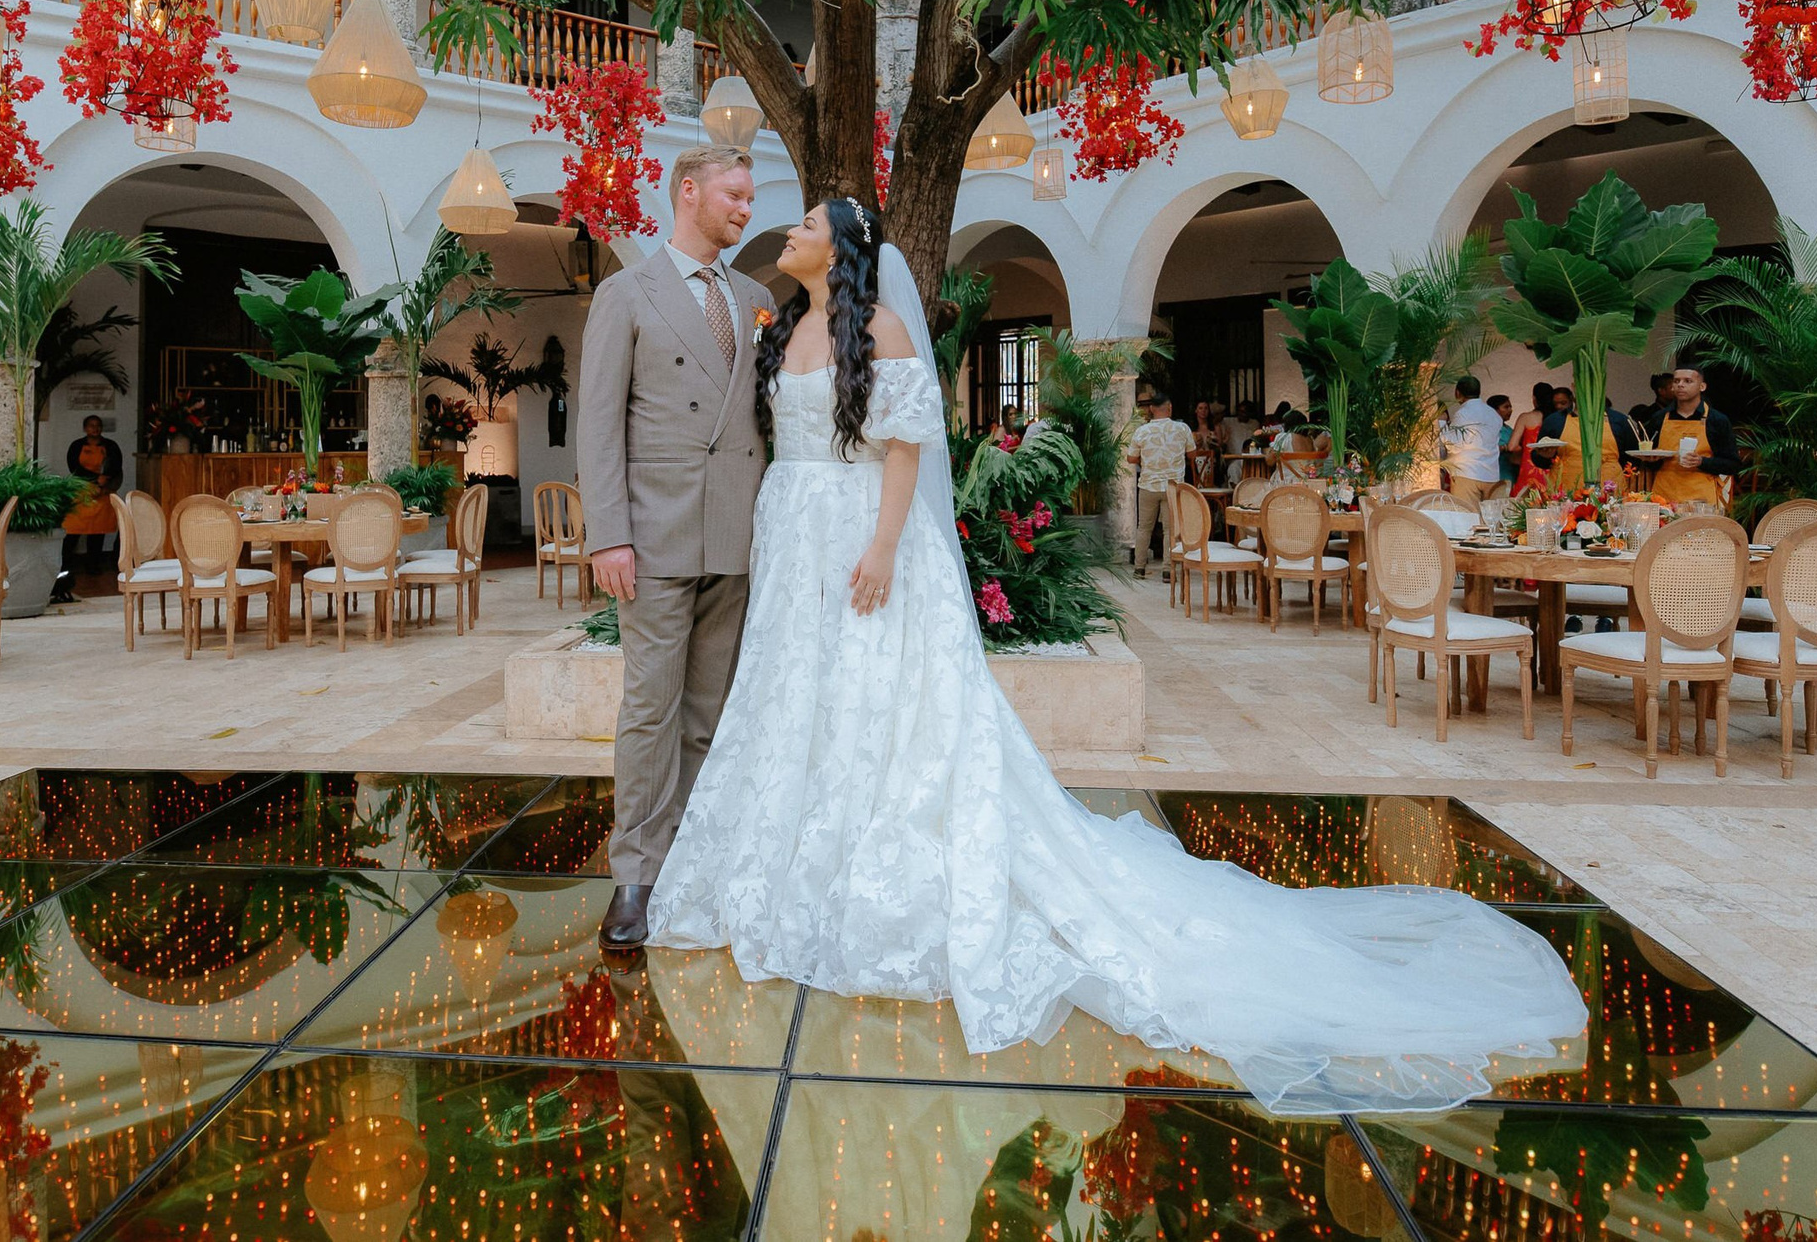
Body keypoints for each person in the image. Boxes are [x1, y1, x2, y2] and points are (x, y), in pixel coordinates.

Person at [646, 205, 1587, 1115]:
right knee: (798, 707)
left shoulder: (881, 326)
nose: (795, 231)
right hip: (794, 536)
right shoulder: (783, 329)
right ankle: (798, 865)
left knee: (883, 707)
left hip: (862, 534)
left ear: (843, 249)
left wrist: (887, 545)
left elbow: (902, 450)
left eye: (811, 222)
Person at [576, 143, 778, 949]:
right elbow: (597, 423)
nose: (746, 206)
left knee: (709, 713)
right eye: (734, 193)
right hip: (652, 539)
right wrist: (609, 534)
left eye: (751, 194)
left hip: (737, 534)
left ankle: (689, 860)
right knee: (649, 709)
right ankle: (635, 873)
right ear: (687, 191)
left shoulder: (759, 297)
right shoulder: (626, 293)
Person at [1647, 365, 1739, 508]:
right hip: (1664, 495)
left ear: (1702, 386)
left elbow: (1732, 464)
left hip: (1701, 499)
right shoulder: (1658, 419)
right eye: (1676, 381)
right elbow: (1648, 461)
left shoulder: (1717, 420)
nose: (1680, 385)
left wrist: (1702, 462)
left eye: (1687, 381)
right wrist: (1652, 459)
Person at [1125, 389, 1193, 578]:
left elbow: (1131, 458)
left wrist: (1147, 460)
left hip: (1148, 485)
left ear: (1151, 409)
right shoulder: (1183, 429)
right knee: (1170, 530)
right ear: (1169, 408)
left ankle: (1139, 568)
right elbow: (1192, 454)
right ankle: (1167, 570)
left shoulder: (1141, 431)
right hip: (1173, 486)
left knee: (1144, 528)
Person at [61, 415, 122, 574]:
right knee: (73, 529)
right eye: (91, 425)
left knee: (98, 531)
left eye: (98, 425)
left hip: (102, 493)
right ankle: (64, 565)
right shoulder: (76, 446)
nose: (95, 429)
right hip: (81, 492)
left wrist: (105, 480)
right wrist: (95, 478)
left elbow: (116, 466)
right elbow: (74, 467)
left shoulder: (111, 445)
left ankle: (93, 565)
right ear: (85, 428)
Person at [1436, 376, 1504, 508]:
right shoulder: (1493, 413)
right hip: (1491, 474)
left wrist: (1442, 424)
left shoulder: (1463, 413)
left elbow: (1453, 444)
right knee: (1491, 521)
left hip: (1467, 474)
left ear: (1457, 393)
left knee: (1468, 519)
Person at [1628, 372, 1677, 446]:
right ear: (1661, 391)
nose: (1677, 390)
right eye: (1672, 387)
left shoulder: (1681, 411)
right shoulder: (1648, 414)